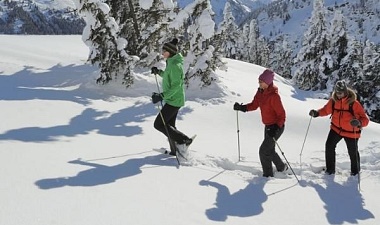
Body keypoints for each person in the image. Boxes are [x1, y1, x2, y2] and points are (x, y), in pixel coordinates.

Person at [233, 69, 288, 177]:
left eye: (261, 82)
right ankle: (282, 167)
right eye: (259, 81)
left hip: (277, 127)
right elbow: (254, 105)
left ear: (267, 82)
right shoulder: (260, 92)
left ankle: (267, 175)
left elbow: (282, 115)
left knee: (263, 151)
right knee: (270, 150)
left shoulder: (274, 96)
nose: (259, 83)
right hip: (268, 126)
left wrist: (276, 128)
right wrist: (242, 107)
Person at [309, 80, 369, 176]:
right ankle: (330, 170)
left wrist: (359, 123)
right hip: (336, 129)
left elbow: (365, 120)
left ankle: (355, 172)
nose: (338, 95)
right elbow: (326, 110)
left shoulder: (354, 103)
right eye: (336, 92)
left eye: (340, 93)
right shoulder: (333, 101)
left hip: (351, 131)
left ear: (345, 92)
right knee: (329, 146)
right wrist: (317, 113)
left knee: (352, 152)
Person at [151, 38, 192, 156]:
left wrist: (162, 96)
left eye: (164, 51)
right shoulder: (171, 62)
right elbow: (169, 76)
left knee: (158, 124)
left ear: (170, 52)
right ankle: (175, 150)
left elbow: (176, 86)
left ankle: (184, 140)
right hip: (172, 99)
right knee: (170, 126)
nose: (162, 53)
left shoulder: (175, 65)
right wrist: (159, 72)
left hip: (174, 100)